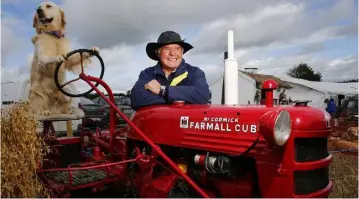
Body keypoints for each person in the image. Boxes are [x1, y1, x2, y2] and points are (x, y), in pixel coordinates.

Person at [130, 31, 210, 110]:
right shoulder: (147, 73)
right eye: (167, 49)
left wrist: (162, 90)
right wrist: (181, 98)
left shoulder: (195, 72)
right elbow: (136, 99)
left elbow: (202, 95)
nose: (172, 53)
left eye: (177, 49)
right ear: (158, 53)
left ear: (182, 52)